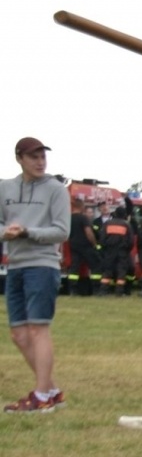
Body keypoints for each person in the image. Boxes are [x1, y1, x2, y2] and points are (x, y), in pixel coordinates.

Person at [2, 137, 70, 413]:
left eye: (43, 156)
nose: (40, 162)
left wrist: (29, 232)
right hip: (15, 265)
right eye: (34, 157)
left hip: (43, 265)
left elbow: (62, 230)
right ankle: (51, 390)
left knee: (38, 329)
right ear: (20, 158)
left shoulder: (56, 189)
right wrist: (6, 232)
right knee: (18, 334)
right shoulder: (5, 187)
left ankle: (42, 396)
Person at [98, 198, 134, 295]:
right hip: (122, 251)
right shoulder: (126, 225)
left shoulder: (107, 224)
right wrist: (126, 250)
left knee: (107, 270)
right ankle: (119, 291)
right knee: (121, 271)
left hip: (109, 251)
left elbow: (102, 239)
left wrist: (105, 249)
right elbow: (131, 241)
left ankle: (103, 290)